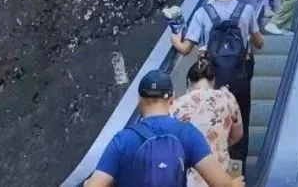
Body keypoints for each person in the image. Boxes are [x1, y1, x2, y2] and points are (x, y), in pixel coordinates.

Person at [84, 69, 243, 187]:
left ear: (139, 100)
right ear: (172, 99)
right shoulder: (187, 133)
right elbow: (221, 184)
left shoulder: (122, 140)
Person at [171, 0, 263, 166]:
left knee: (210, 119)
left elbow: (185, 49)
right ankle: (237, 170)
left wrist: (175, 40)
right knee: (241, 119)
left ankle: (211, 165)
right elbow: (259, 43)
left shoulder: (203, 13)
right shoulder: (246, 10)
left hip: (211, 77)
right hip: (239, 76)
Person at [172, 56, 243, 187]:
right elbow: (237, 134)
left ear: (189, 81)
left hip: (190, 178)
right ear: (213, 81)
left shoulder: (177, 105)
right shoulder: (228, 98)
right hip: (222, 176)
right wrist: (219, 143)